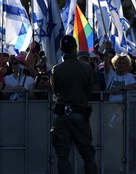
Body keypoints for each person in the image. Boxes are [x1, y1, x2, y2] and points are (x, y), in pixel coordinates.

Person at [50, 35, 97, 174]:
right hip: (79, 114)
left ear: (61, 49)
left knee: (62, 155)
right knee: (88, 155)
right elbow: (89, 90)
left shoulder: (56, 69)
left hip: (62, 115)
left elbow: (56, 90)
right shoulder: (86, 68)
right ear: (75, 48)